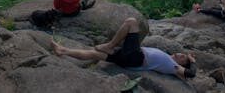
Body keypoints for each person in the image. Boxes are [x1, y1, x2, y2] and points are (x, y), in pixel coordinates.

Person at [50, 17, 197, 80]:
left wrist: (192, 60)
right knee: (94, 54)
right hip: (129, 58)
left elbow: (191, 74)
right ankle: (63, 51)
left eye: (184, 57)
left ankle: (109, 45)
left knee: (132, 22)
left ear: (182, 64)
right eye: (184, 54)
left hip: (135, 58)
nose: (181, 54)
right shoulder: (167, 58)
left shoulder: (173, 66)